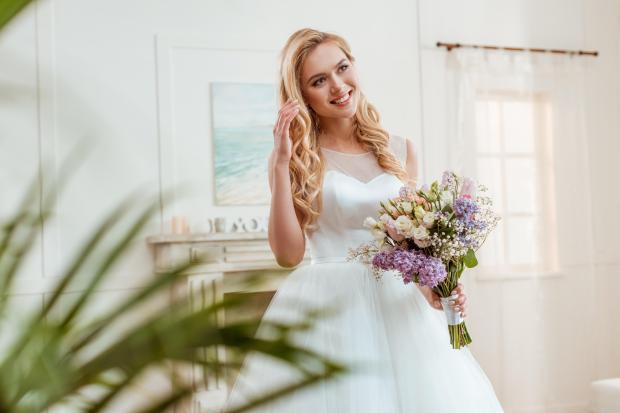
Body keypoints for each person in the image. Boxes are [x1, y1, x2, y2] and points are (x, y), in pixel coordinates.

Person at [225, 28, 503, 412]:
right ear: (302, 93)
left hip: (399, 304)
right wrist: (280, 164)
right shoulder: (297, 158)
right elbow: (288, 255)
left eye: (342, 68)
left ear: (353, 64)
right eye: (319, 81)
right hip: (327, 305)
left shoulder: (400, 149)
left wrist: (437, 291)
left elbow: (414, 242)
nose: (338, 86)